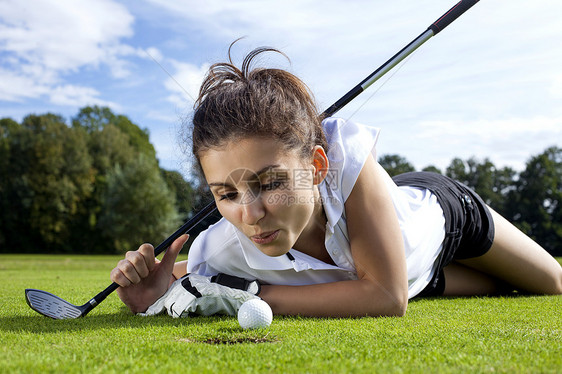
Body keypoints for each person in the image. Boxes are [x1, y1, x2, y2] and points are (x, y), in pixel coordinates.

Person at [110, 45, 562, 318]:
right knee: (503, 288)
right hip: (413, 271)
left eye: (270, 183)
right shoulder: (221, 246)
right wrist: (160, 289)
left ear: (317, 165)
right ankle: (424, 277)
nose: (249, 215)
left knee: (553, 285)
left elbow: (386, 297)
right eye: (226, 193)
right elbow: (195, 277)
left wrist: (250, 296)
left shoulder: (347, 159)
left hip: (444, 216)